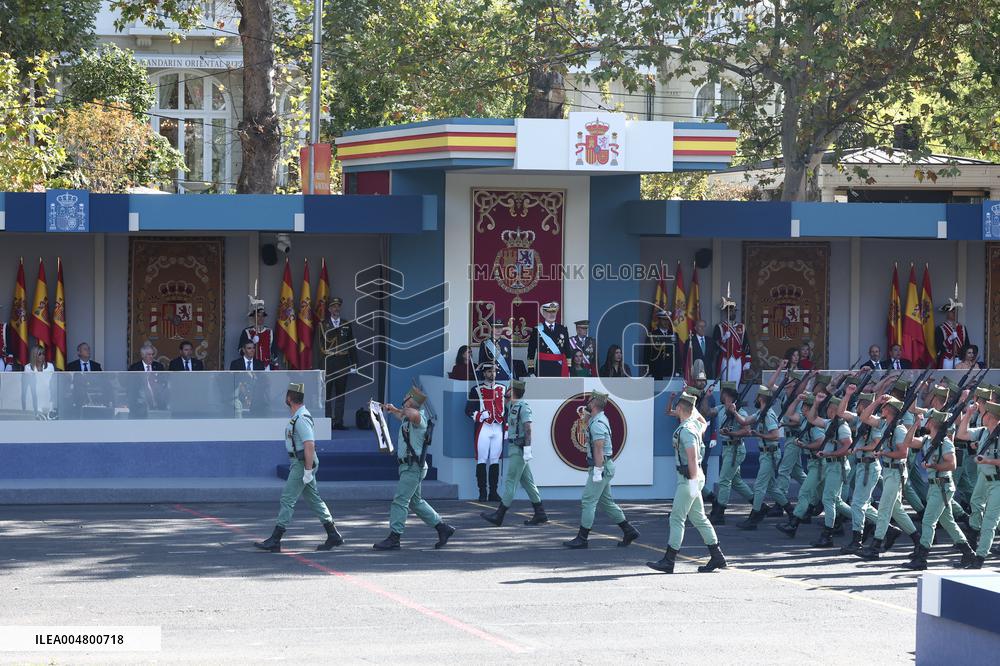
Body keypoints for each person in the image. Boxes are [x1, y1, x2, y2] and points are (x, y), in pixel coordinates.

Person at [253, 382, 344, 552]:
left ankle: (276, 539)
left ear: (289, 398)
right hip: (303, 463)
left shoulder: (301, 418)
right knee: (314, 499)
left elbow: (309, 445)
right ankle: (333, 535)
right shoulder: (300, 416)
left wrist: (308, 470)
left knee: (287, 499)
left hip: (302, 464)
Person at [647, 392, 728, 573]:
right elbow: (699, 418)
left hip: (689, 478)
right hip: (695, 477)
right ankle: (717, 556)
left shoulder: (687, 430)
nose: (675, 410)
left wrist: (691, 484)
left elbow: (691, 458)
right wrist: (690, 399)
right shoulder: (695, 425)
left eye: (677, 407)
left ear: (681, 409)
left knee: (676, 518)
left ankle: (669, 560)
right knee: (699, 518)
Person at [373, 386, 456, 550]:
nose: (403, 397)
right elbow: (401, 415)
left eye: (406, 396)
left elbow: (413, 414)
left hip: (413, 466)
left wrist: (404, 407)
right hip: (409, 466)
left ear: (411, 400)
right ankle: (442, 528)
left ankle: (395, 537)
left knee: (400, 500)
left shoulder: (420, 417)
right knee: (416, 502)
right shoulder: (407, 418)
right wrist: (391, 408)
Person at [563, 390, 640, 549]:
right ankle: (628, 530)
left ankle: (582, 538)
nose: (587, 404)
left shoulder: (597, 423)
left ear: (593, 404)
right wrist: (587, 418)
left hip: (601, 465)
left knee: (588, 500)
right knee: (606, 503)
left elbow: (598, 448)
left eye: (589, 402)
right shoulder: (597, 419)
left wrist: (598, 470)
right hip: (604, 465)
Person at [901, 408, 975, 570]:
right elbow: (907, 443)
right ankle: (968, 553)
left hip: (942, 486)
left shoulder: (945, 442)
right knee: (948, 522)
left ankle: (921, 558)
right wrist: (915, 424)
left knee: (928, 521)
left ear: (933, 422)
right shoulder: (927, 440)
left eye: (927, 420)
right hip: (935, 486)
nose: (925, 421)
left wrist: (934, 465)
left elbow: (952, 464)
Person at [855, 394, 921, 560]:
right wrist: (877, 401)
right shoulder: (885, 424)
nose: (881, 409)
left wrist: (884, 452)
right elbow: (864, 417)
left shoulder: (898, 429)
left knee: (884, 509)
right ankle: (918, 539)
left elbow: (903, 452)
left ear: (889, 410)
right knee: (897, 510)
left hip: (896, 471)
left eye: (883, 407)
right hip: (889, 471)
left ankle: (875, 546)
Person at [480, 379, 547, 527]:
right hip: (515, 447)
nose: (506, 392)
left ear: (514, 391)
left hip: (520, 448)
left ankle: (499, 514)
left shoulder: (523, 407)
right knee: (528, 482)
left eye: (509, 390)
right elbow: (504, 403)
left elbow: (528, 428)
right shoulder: (513, 405)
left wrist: (528, 449)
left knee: (511, 482)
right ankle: (540, 512)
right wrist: (507, 397)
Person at [730, 385, 790, 529]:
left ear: (761, 398)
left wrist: (759, 435)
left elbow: (775, 435)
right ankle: (791, 511)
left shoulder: (767, 415)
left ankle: (755, 517)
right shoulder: (761, 413)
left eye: (757, 396)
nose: (756, 399)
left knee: (759, 485)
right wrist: (734, 412)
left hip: (769, 453)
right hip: (766, 453)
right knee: (770, 487)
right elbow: (744, 421)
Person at [708, 382, 754, 525]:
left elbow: (747, 431)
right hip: (727, 448)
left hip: (735, 448)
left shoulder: (741, 412)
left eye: (722, 393)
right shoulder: (721, 408)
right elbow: (706, 412)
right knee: (735, 481)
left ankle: (720, 512)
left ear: (726, 395)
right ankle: (759, 505)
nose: (720, 395)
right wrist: (706, 396)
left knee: (724, 480)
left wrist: (731, 432)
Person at [962, 401, 1000, 568]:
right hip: (984, 478)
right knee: (975, 503)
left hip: (997, 482)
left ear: (990, 416)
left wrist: (988, 460)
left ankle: (980, 557)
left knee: (990, 521)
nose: (981, 416)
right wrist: (968, 414)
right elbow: (961, 434)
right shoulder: (984, 432)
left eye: (983, 414)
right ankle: (973, 534)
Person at [465, 362, 506, 501]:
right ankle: (482, 492)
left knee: (495, 460)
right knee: (481, 460)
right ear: (484, 373)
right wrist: (479, 415)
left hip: (498, 427)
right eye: (489, 372)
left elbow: (507, 410)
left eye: (494, 372)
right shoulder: (476, 389)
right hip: (483, 428)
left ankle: (493, 492)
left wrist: (506, 428)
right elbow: (468, 410)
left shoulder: (503, 388)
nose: (492, 374)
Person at [319, 297, 359, 430]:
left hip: (343, 362)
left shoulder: (346, 324)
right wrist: (321, 366)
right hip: (329, 362)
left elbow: (351, 344)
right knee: (327, 394)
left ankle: (339, 422)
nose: (336, 308)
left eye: (338, 306)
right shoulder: (323, 324)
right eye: (333, 306)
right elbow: (320, 346)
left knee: (341, 393)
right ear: (329, 309)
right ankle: (328, 421)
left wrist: (354, 363)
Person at [713, 298, 751, 385]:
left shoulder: (741, 327)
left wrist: (748, 360)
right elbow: (716, 344)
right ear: (726, 312)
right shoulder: (720, 327)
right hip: (726, 358)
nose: (733, 313)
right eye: (731, 311)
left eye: (734, 311)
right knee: (725, 383)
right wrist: (724, 338)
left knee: (736, 384)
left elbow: (746, 344)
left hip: (738, 359)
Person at [527, 302, 570, 377]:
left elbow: (568, 350)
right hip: (543, 367)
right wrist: (531, 370)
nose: (552, 314)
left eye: (553, 311)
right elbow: (531, 352)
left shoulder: (563, 329)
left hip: (559, 367)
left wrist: (569, 368)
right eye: (549, 312)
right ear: (544, 313)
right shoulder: (537, 330)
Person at [127, 344, 167, 418]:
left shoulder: (159, 366)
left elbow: (164, 384)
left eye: (152, 354)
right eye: (149, 354)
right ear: (142, 355)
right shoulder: (134, 368)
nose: (151, 357)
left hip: (158, 405)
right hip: (140, 406)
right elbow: (131, 388)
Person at [239, 302, 278, 369]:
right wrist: (252, 342)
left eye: (262, 316)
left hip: (266, 366)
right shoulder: (247, 332)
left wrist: (275, 364)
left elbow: (273, 351)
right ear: (254, 317)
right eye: (258, 316)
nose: (260, 318)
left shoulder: (269, 332)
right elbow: (240, 350)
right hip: (252, 365)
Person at [936, 297, 969, 370]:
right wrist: (950, 339)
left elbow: (967, 345)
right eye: (952, 311)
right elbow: (939, 346)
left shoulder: (962, 327)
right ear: (947, 313)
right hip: (947, 359)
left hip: (960, 358)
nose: (954, 313)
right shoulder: (940, 328)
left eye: (955, 311)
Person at [22, 346, 55, 416]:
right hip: (35, 397)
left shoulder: (50, 366)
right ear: (34, 355)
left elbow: (53, 383)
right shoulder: (28, 367)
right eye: (40, 354)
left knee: (48, 418)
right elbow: (27, 385)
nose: (42, 356)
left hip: (47, 396)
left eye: (43, 354)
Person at [645, 309, 676, 380]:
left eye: (667, 320)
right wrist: (647, 369)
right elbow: (647, 353)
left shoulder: (673, 334)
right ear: (659, 320)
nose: (666, 322)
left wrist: (678, 368)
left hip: (671, 369)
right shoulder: (653, 335)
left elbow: (677, 353)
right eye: (663, 320)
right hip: (656, 369)